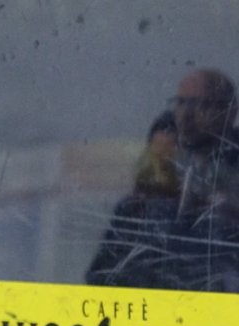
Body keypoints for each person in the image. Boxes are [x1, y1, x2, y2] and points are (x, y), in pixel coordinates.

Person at [87, 68, 239, 292]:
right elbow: (102, 277)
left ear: (229, 111)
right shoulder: (141, 205)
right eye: (181, 103)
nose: (186, 115)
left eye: (201, 105)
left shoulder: (230, 191)